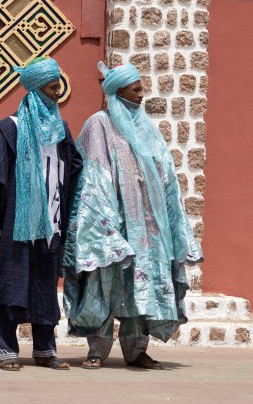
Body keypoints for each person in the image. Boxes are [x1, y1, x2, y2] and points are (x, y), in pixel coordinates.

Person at [63, 62, 203, 369]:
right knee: (104, 280)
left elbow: (166, 175)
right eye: (136, 89)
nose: (142, 95)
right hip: (112, 221)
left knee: (143, 284)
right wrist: (106, 223)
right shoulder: (99, 124)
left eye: (141, 89)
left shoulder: (147, 129)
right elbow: (93, 174)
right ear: (118, 91)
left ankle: (137, 350)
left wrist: (172, 220)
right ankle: (97, 350)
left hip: (148, 227)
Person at [0, 57, 83, 371]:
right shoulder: (9, 129)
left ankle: (45, 350)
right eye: (52, 88)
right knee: (10, 285)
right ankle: (6, 348)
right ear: (35, 89)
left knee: (45, 287)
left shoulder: (61, 131)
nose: (57, 93)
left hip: (50, 224)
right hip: (14, 225)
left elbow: (73, 172)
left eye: (59, 87)